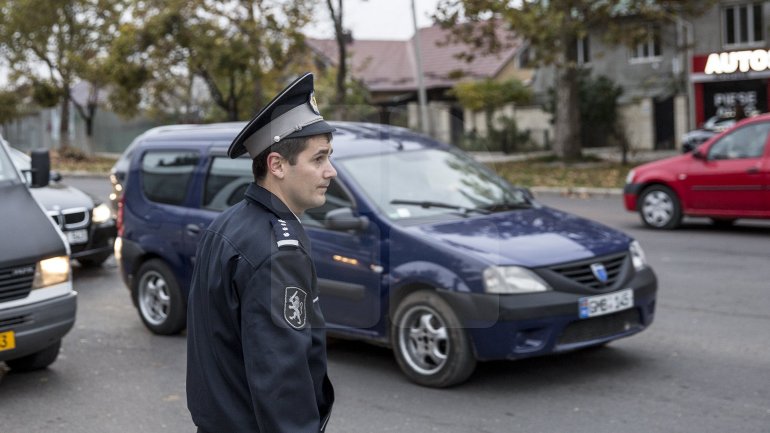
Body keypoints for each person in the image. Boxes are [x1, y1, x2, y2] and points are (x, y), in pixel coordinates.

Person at [186, 72, 336, 433]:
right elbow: (282, 380)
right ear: (277, 165)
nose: (330, 171)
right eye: (318, 159)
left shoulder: (226, 225)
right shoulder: (278, 252)